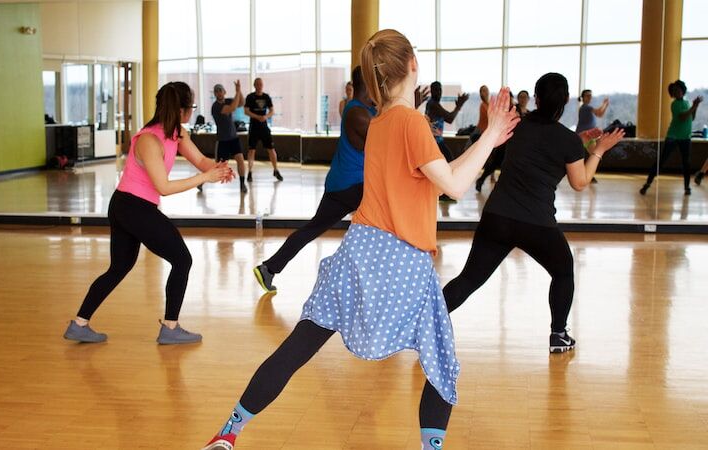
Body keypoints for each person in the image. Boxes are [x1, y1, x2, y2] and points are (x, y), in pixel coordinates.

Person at [201, 29, 518, 450]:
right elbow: (456, 187)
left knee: (301, 343)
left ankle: (229, 431)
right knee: (441, 360)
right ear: (412, 66)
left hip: (360, 247)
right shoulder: (411, 121)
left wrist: (488, 140)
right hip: (403, 256)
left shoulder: (384, 121)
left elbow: (443, 177)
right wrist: (491, 136)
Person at [443, 73, 625, 354]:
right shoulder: (566, 140)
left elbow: (539, 141)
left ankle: (425, 326)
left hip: (497, 217)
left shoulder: (519, 126)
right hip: (536, 224)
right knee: (564, 271)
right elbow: (580, 182)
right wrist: (598, 149)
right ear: (566, 101)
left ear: (536, 99)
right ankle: (559, 334)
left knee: (469, 279)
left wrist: (579, 141)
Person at [63, 82, 234, 345]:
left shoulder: (178, 133)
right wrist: (204, 177)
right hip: (132, 207)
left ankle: (79, 324)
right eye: (190, 107)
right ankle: (170, 327)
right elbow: (163, 188)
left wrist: (218, 169)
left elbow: (201, 161)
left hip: (131, 206)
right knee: (182, 260)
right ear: (180, 109)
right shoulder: (149, 140)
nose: (191, 111)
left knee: (119, 267)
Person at [252, 67, 373, 293]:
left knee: (313, 229)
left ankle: (269, 268)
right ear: (368, 84)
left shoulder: (367, 109)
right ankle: (354, 283)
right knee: (382, 228)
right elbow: (387, 138)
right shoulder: (358, 113)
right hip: (353, 185)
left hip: (343, 183)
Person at [640, 80, 703, 196]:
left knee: (686, 163)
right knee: (661, 162)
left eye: (679, 90)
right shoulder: (674, 104)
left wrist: (696, 106)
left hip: (685, 137)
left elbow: (691, 118)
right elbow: (683, 117)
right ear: (672, 94)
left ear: (683, 91)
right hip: (673, 136)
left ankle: (687, 187)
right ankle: (647, 184)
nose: (677, 92)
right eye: (675, 91)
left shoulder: (686, 103)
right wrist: (694, 106)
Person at [475, 91, 520, 192]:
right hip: (502, 142)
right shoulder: (505, 110)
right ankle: (481, 180)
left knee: (504, 164)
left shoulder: (517, 109)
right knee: (495, 163)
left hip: (512, 142)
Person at [211, 81, 248, 193]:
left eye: (220, 90)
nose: (218, 93)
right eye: (216, 91)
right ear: (215, 94)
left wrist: (239, 90)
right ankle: (201, 182)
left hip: (233, 139)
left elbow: (241, 103)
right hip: (223, 141)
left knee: (240, 161)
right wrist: (237, 92)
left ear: (224, 92)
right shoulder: (216, 107)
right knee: (218, 167)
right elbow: (232, 108)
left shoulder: (227, 101)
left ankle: (242, 184)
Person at [244, 78, 283, 182]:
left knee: (271, 149)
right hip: (254, 127)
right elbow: (246, 111)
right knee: (251, 150)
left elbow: (272, 110)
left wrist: (266, 117)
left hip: (264, 127)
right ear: (254, 85)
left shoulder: (266, 97)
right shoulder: (250, 97)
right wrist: (257, 116)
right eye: (257, 84)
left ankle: (276, 170)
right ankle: (250, 172)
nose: (259, 86)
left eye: (261, 84)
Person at [425, 81, 469, 163]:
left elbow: (448, 117)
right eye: (436, 90)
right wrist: (458, 106)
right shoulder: (433, 104)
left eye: (440, 90)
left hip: (437, 140)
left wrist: (457, 107)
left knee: (448, 160)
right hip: (435, 141)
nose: (439, 93)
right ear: (431, 91)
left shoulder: (433, 104)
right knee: (450, 160)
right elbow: (450, 118)